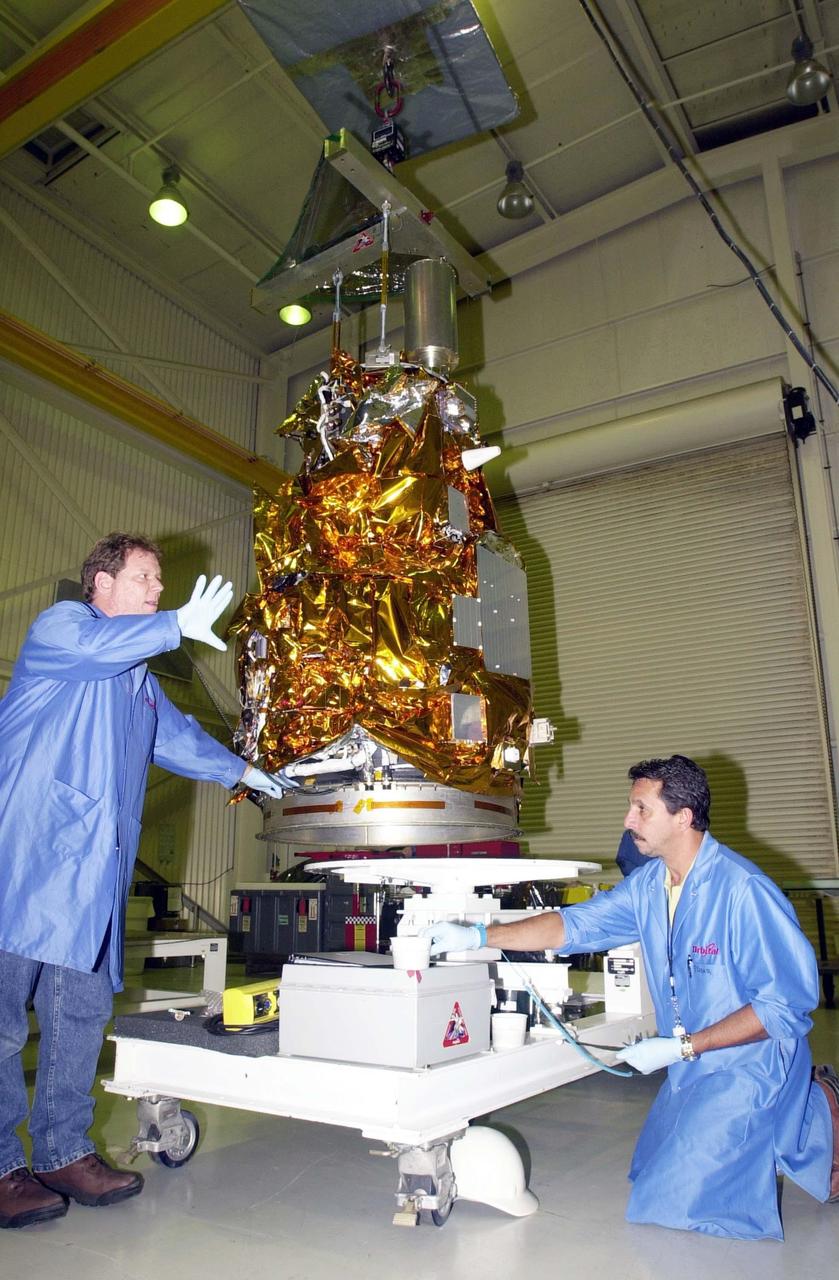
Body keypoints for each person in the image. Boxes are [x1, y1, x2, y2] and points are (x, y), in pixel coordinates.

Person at [421, 754, 839, 1240]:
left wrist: (681, 1047)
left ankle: (816, 1103)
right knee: (646, 1170)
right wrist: (479, 935)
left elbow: (783, 1007)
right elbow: (572, 926)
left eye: (642, 809)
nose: (627, 820)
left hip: (750, 1064)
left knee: (670, 1203)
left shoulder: (744, 892)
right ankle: (809, 1116)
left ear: (683, 818)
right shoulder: (649, 885)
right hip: (692, 1067)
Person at [0, 533, 289, 1230]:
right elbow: (92, 653)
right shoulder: (63, 630)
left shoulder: (139, 684)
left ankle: (64, 1151)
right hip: (22, 864)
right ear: (101, 583)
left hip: (89, 878)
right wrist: (171, 627)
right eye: (145, 578)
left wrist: (243, 772)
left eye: (160, 583)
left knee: (79, 1018)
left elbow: (177, 736)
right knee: (3, 1027)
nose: (159, 590)